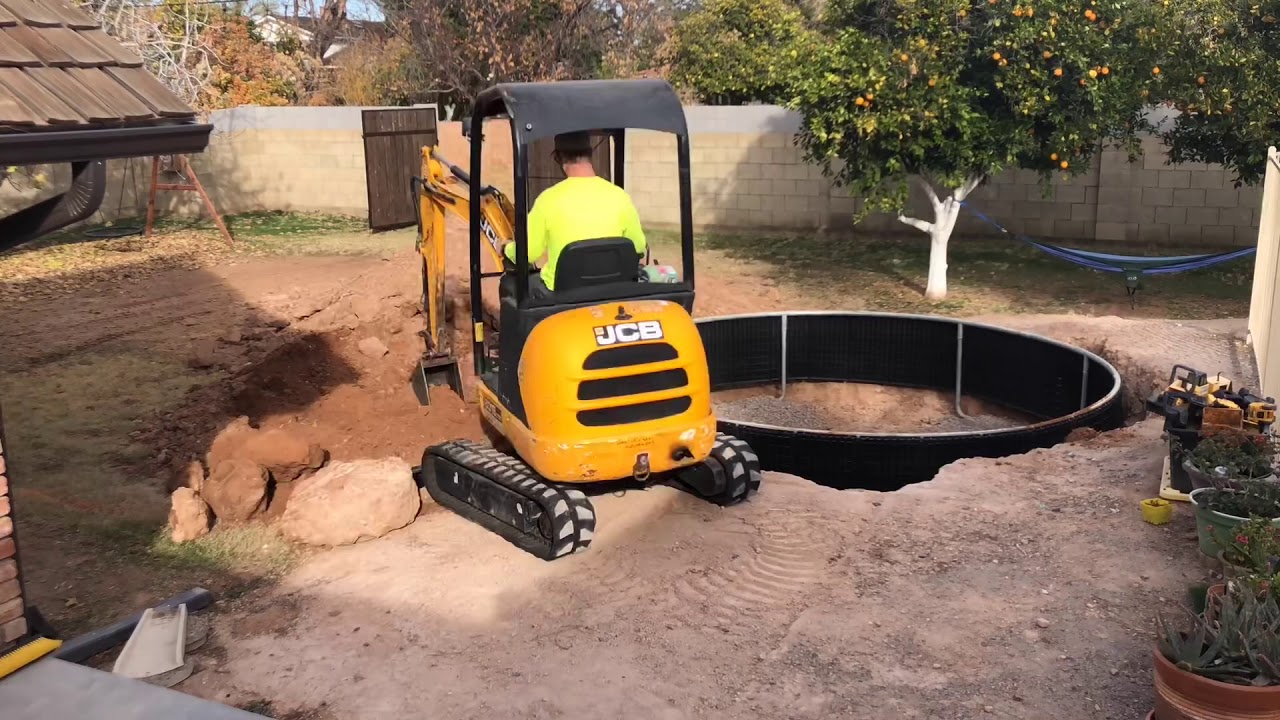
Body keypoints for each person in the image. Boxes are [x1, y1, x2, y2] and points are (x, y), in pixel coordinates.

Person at [502, 131, 646, 300]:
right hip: (611, 291)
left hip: (562, 296)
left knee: (510, 284)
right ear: (590, 154)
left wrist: (507, 248)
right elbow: (638, 246)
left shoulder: (548, 200)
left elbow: (528, 252)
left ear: (558, 158)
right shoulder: (620, 196)